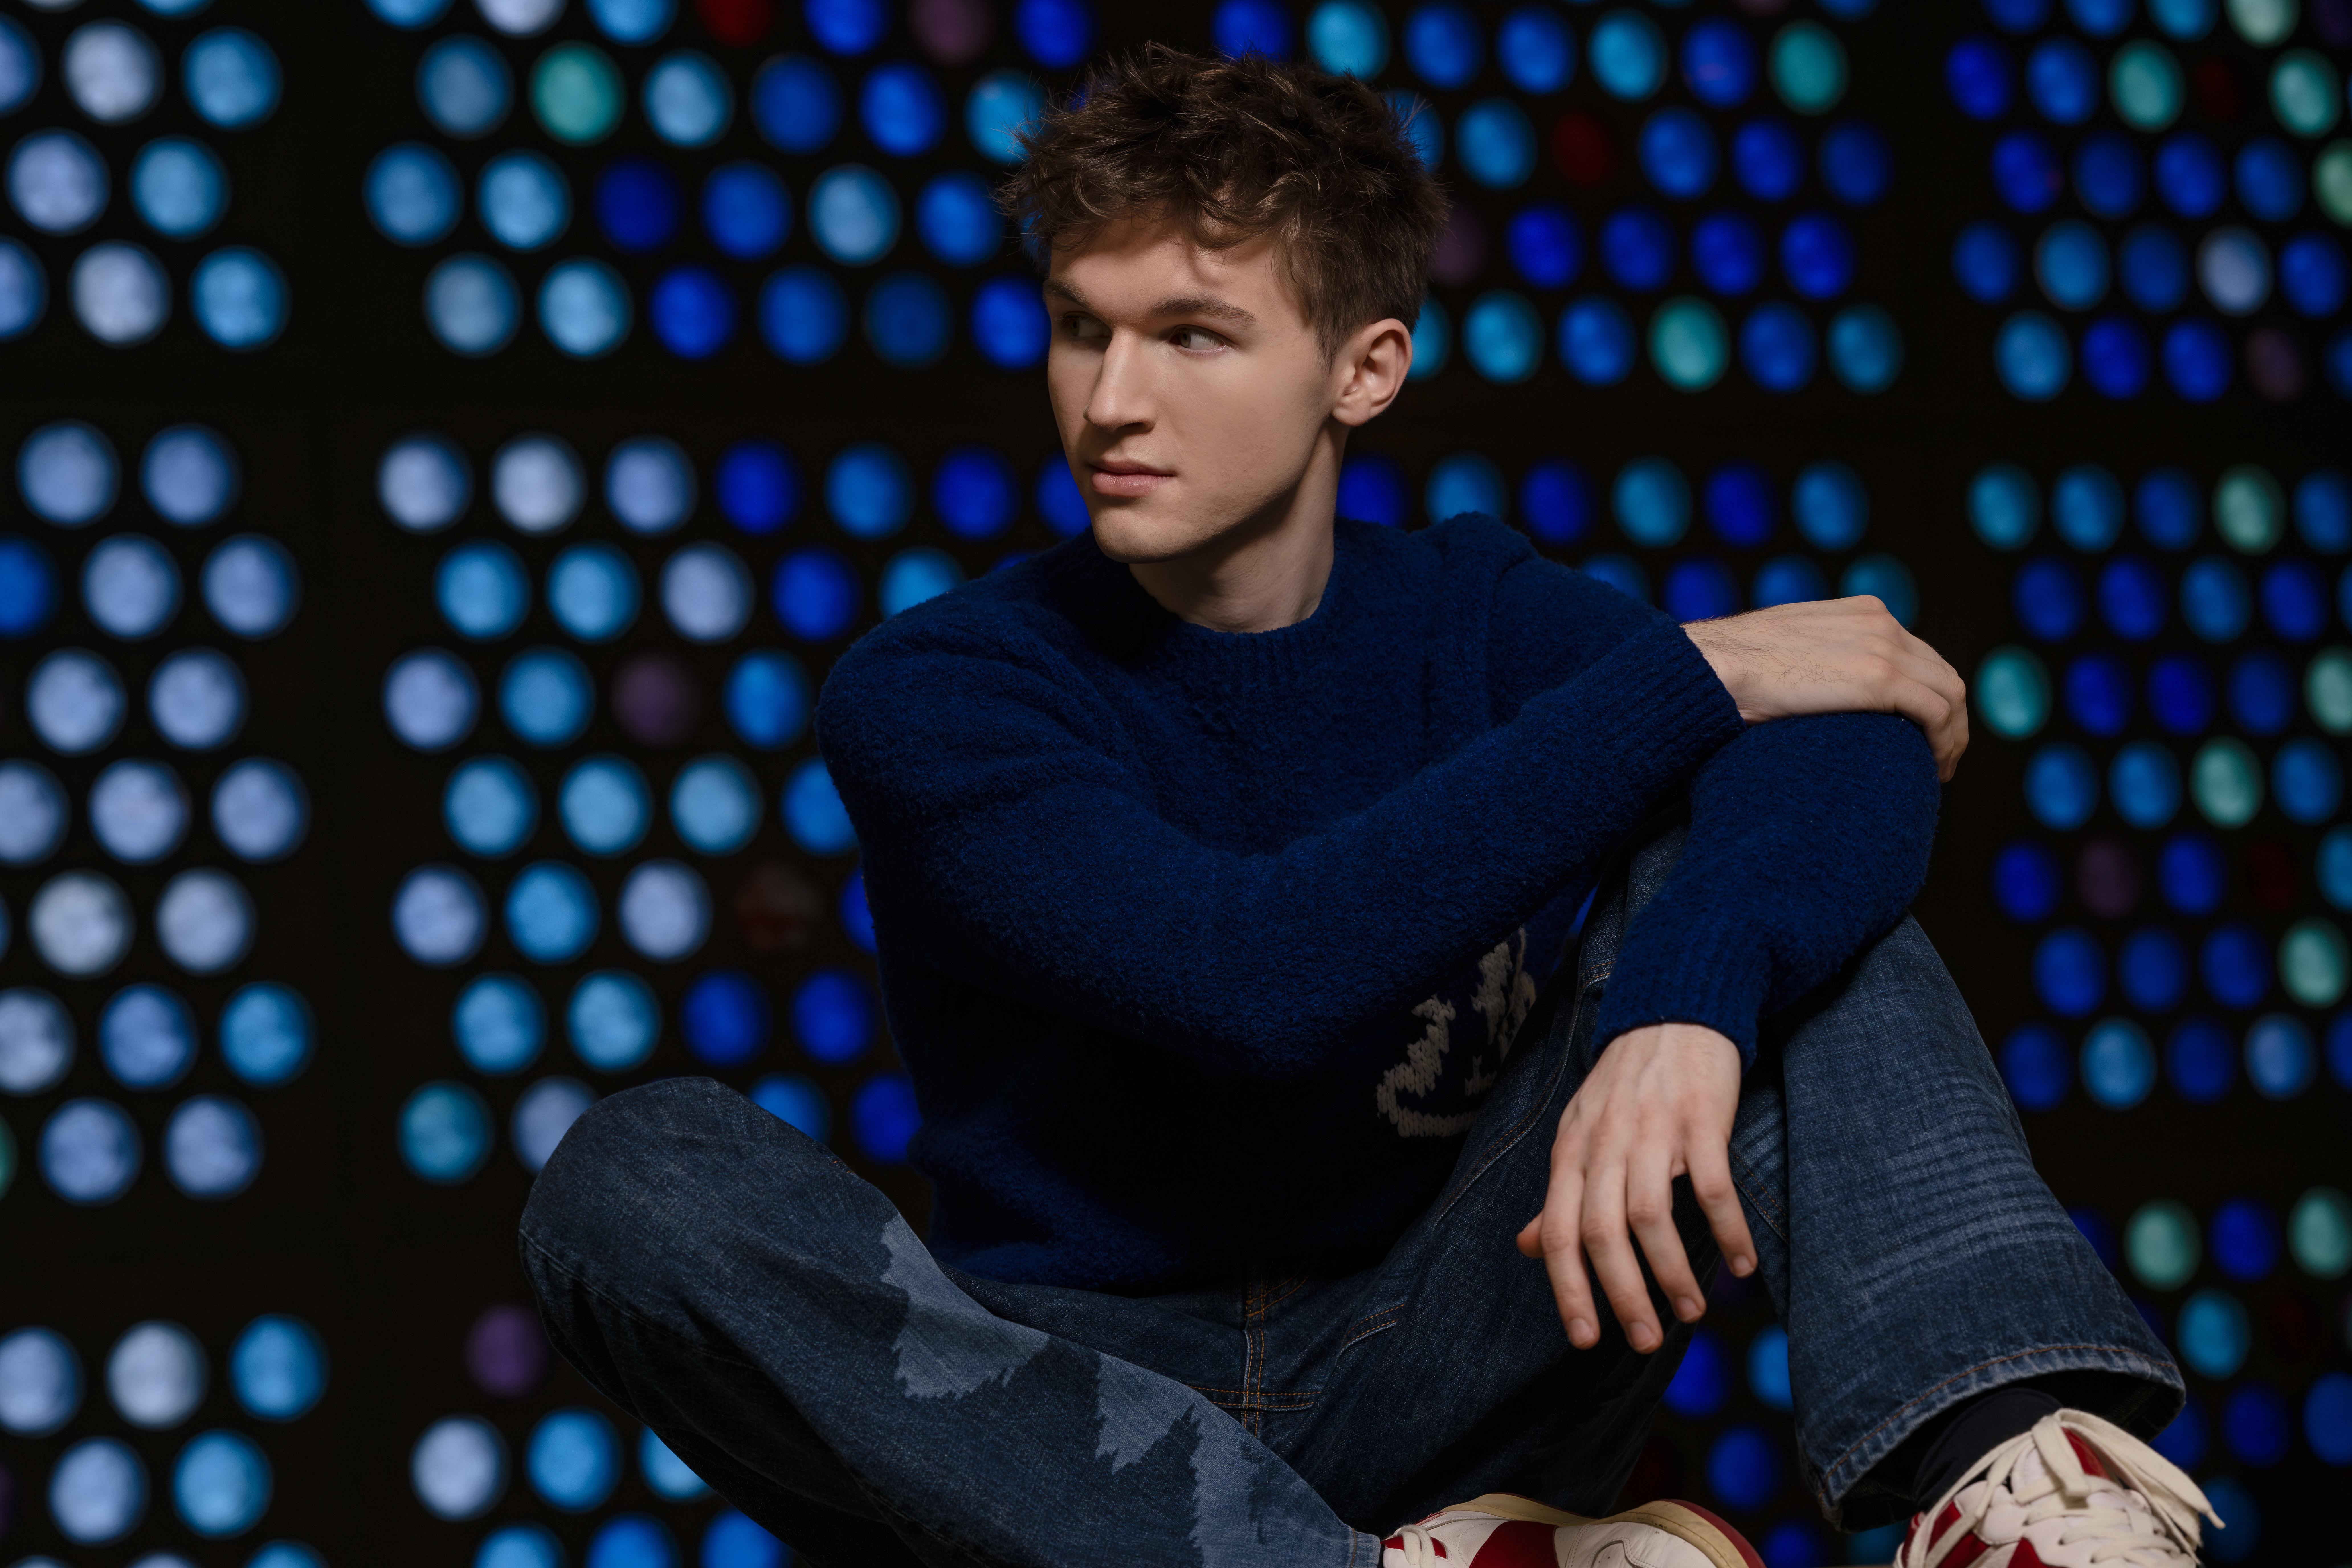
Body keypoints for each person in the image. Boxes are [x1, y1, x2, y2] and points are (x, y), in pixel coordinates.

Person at [520, 48, 2216, 1568]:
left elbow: (1847, 746)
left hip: (1469, 1338)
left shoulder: (1480, 612)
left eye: (1192, 335)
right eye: (1080, 326)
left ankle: (2013, 1485)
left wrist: (1687, 1004)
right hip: (1063, 1416)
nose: (1111, 401)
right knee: (630, 1181)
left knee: (1793, 912)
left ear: (1364, 370)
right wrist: (1696, 678)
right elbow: (1240, 977)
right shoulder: (942, 688)